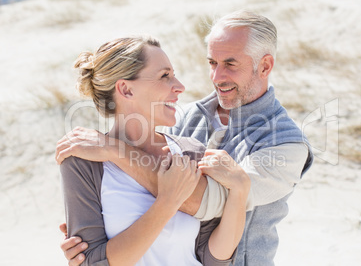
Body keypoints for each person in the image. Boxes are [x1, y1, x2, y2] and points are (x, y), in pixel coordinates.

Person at [57, 10, 313, 266]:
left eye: (230, 64)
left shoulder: (287, 145)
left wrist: (116, 152)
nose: (216, 76)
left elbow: (207, 204)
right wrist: (94, 253)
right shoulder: (183, 119)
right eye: (213, 63)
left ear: (265, 65)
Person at [59, 35, 251, 266]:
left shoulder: (190, 151)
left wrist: (240, 192)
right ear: (126, 89)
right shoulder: (83, 162)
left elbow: (211, 257)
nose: (179, 86)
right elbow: (92, 262)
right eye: (164, 76)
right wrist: (168, 201)